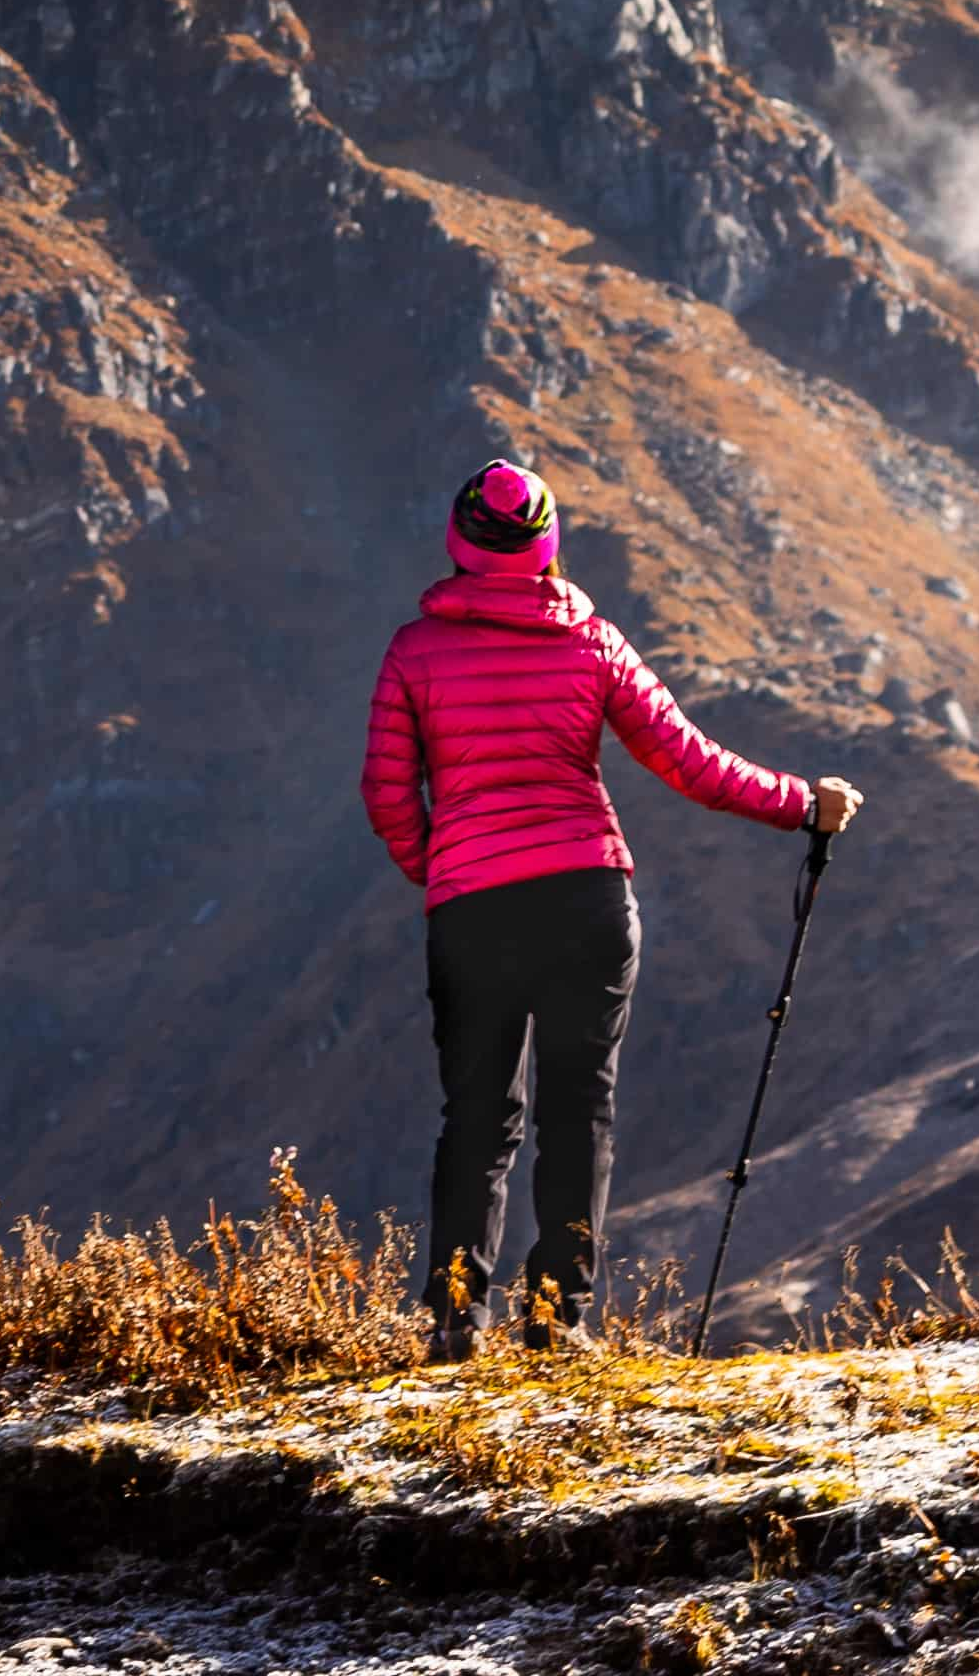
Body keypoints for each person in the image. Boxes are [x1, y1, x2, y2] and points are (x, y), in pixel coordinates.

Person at [359, 456, 863, 1356]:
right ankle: (557, 1324)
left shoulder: (415, 652)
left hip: (472, 911)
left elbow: (388, 796)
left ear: (463, 542)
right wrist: (801, 802)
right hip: (586, 899)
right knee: (577, 1111)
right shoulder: (590, 641)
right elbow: (689, 762)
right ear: (546, 543)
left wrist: (441, 869)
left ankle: (453, 1328)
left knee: (478, 1117)